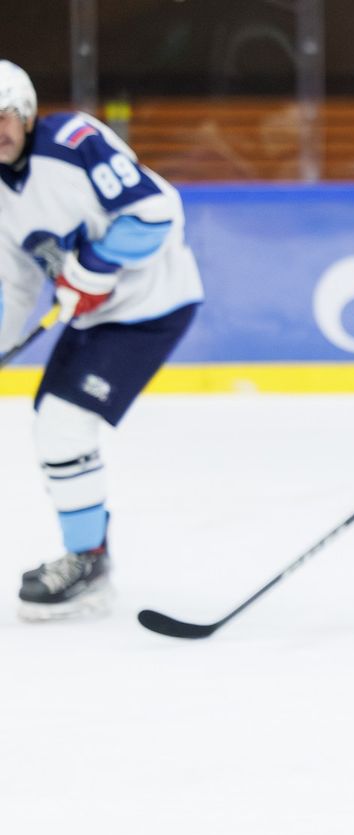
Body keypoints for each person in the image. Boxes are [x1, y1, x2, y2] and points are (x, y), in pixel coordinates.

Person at [0, 60, 203, 620]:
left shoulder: (73, 141)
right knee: (51, 428)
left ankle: (87, 562)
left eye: (2, 118)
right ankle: (88, 554)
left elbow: (156, 211)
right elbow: (15, 284)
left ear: (26, 113)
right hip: (94, 318)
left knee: (64, 426)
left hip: (152, 307)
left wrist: (93, 267)